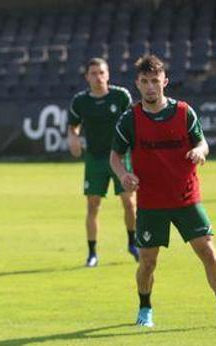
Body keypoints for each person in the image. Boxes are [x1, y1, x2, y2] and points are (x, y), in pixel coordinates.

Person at [109, 55, 216, 330]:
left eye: (155, 81)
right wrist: (124, 175)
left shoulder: (184, 112)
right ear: (137, 83)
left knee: (207, 251)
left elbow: (203, 142)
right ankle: (145, 308)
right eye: (144, 81)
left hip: (186, 197)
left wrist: (199, 151)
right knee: (147, 262)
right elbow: (115, 156)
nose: (150, 87)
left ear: (164, 82)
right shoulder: (129, 119)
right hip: (151, 202)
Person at [68, 58, 139, 267]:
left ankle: (132, 243)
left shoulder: (120, 96)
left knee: (129, 202)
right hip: (95, 158)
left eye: (101, 72)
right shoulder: (80, 101)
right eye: (93, 73)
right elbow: (73, 126)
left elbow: (133, 123)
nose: (98, 77)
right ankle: (92, 254)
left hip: (120, 157)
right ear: (87, 77)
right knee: (93, 206)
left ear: (108, 75)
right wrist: (73, 138)